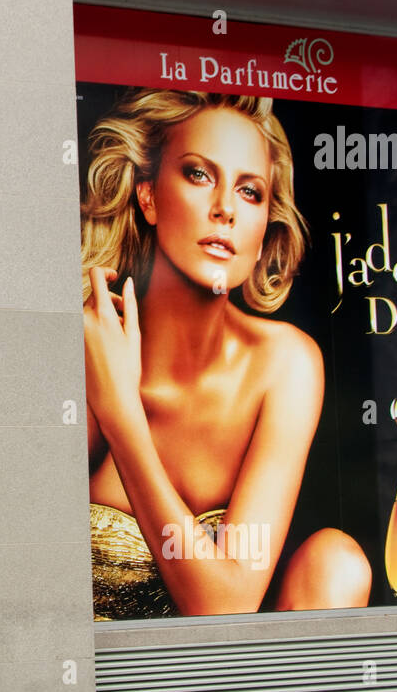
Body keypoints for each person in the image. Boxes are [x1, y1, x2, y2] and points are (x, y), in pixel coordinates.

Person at [81, 89, 371, 619]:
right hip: (93, 691)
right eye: (198, 174)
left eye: (250, 191)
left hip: (225, 688)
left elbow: (225, 606)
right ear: (148, 198)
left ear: (263, 235)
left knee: (337, 562)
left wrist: (122, 415)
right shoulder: (88, 345)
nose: (225, 209)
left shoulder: (285, 363)